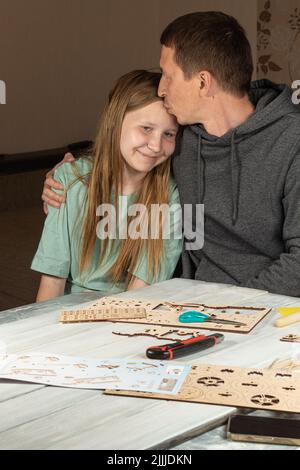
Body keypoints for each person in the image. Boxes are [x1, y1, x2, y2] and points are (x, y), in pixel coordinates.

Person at [43, 11, 300, 297]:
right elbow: (125, 145)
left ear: (203, 82)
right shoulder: (179, 138)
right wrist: (68, 172)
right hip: (186, 304)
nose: (161, 89)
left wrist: (232, 307)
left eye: (167, 75)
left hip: (268, 308)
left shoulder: (292, 141)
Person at [32, 70, 182, 301]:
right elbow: (52, 280)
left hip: (129, 313)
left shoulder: (169, 196)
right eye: (146, 128)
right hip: (66, 312)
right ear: (115, 122)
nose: (155, 145)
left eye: (169, 134)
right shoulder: (70, 181)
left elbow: (140, 292)